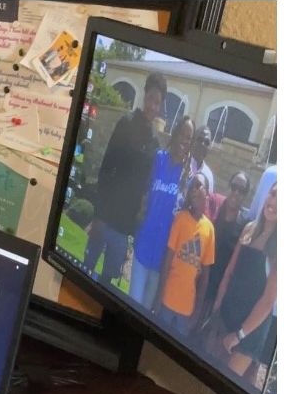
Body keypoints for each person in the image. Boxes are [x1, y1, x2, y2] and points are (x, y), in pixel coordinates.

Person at [84, 72, 166, 290]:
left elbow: (144, 188)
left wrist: (132, 230)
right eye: (150, 98)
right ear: (144, 96)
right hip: (104, 217)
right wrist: (98, 215)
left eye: (157, 102)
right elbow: (106, 168)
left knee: (106, 284)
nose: (152, 106)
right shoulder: (126, 123)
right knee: (84, 270)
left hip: (122, 228)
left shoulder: (155, 143)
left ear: (160, 106)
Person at [209, 182, 277, 387]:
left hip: (249, 332)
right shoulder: (249, 229)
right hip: (227, 315)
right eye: (273, 194)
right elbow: (229, 272)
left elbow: (267, 302)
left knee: (224, 385)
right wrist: (217, 309)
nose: (274, 202)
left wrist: (239, 335)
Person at [132, 115, 194, 310]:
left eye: (189, 138)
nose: (184, 140)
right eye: (182, 134)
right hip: (143, 246)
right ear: (175, 135)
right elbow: (141, 192)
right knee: (132, 303)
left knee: (145, 310)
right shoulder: (158, 159)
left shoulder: (188, 177)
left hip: (163, 258)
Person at [154, 175, 215, 336]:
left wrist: (197, 311)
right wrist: (159, 297)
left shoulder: (209, 229)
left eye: (199, 185)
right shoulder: (181, 218)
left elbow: (205, 276)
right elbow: (167, 260)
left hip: (187, 308)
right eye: (192, 186)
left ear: (207, 193)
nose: (194, 189)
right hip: (167, 299)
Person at [202, 171, 252, 320]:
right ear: (229, 186)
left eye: (241, 190)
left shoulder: (245, 224)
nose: (236, 192)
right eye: (234, 187)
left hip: (218, 289)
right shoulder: (214, 208)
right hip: (199, 278)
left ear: (246, 195)